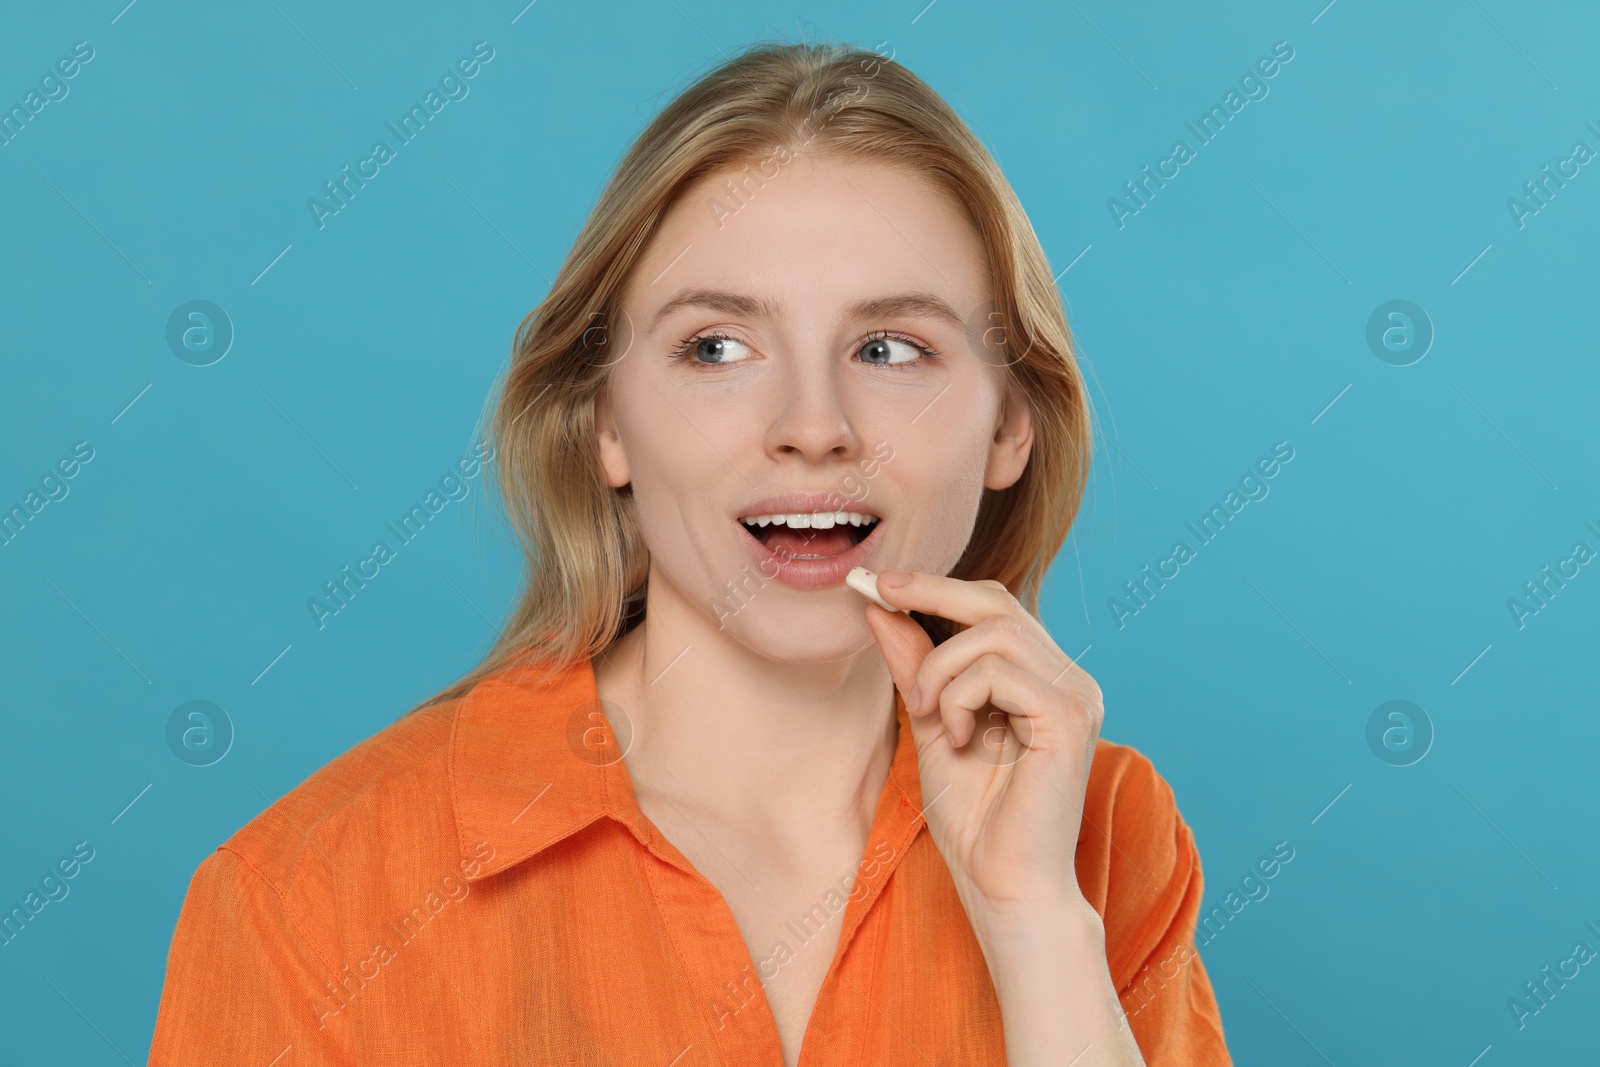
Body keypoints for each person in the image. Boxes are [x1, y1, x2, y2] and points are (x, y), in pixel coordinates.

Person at [150, 39, 1231, 1067]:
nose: (813, 423)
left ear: (1009, 427)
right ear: (604, 424)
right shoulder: (307, 893)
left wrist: (1033, 921)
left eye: (891, 347)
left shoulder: (1103, 836)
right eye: (716, 347)